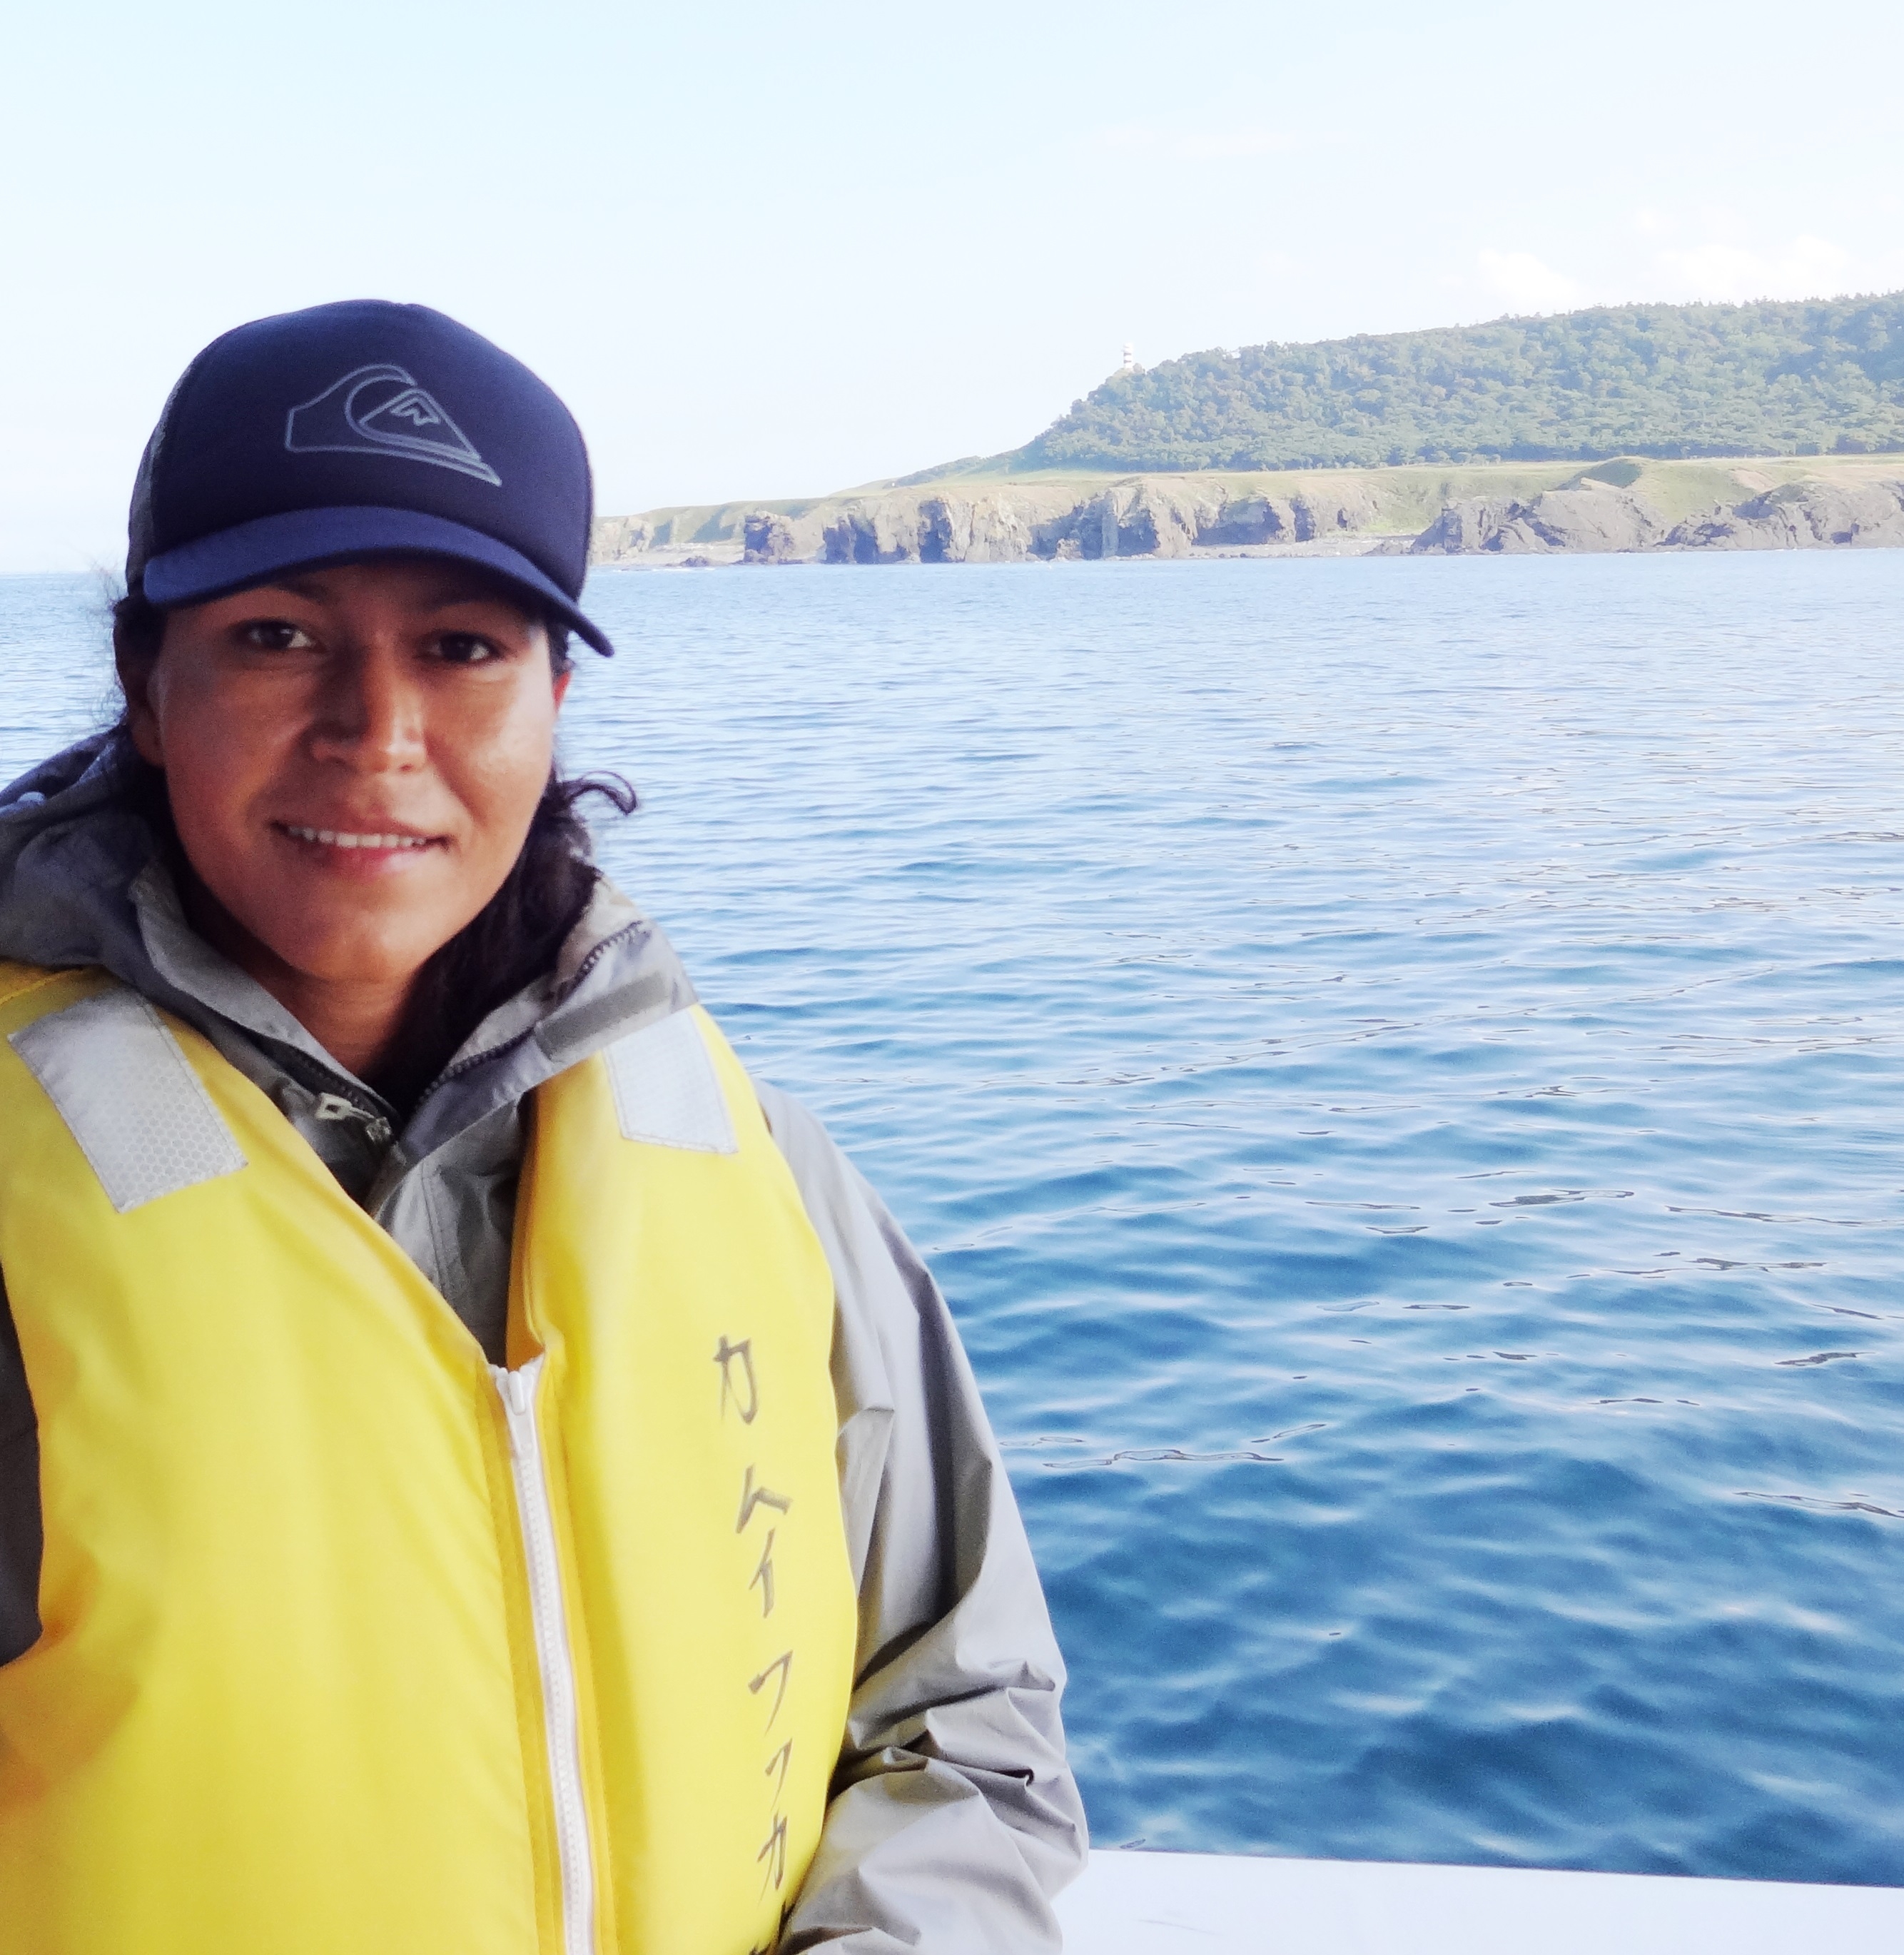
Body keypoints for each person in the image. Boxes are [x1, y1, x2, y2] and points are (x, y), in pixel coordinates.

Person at [0, 300, 1085, 1953]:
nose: (378, 733)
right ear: (148, 684)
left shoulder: (754, 1161)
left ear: (553, 692)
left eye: (464, 645)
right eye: (279, 636)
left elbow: (961, 1704)